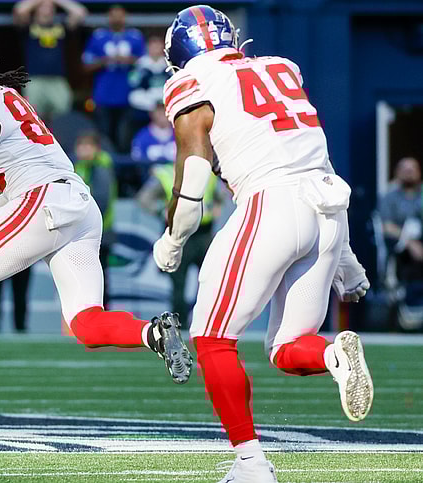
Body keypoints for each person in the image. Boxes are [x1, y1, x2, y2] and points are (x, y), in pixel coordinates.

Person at [0, 18, 192, 442]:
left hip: (42, 200)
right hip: (76, 203)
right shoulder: (5, 96)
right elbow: (16, 184)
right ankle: (153, 333)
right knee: (86, 324)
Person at [151, 6, 372, 482]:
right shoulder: (282, 69)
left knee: (211, 337)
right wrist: (347, 265)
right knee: (289, 347)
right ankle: (332, 356)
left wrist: (172, 239)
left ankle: (251, 464)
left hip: (270, 205)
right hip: (329, 210)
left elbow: (192, 181)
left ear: (181, 55)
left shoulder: (192, 82)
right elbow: (320, 163)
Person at [138, 159, 219, 327]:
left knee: (210, 280)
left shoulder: (206, 173)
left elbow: (219, 195)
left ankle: (205, 322)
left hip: (204, 233)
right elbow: (144, 199)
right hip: (179, 234)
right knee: (178, 284)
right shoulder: (166, 174)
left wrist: (217, 207)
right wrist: (161, 211)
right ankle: (180, 325)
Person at [82, 5, 145, 153]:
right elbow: (86, 65)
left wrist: (127, 60)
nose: (117, 18)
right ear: (108, 17)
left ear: (125, 17)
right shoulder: (99, 36)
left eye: (120, 15)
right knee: (104, 135)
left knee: (125, 137)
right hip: (103, 95)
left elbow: (147, 62)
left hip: (128, 95)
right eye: (113, 15)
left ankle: (124, 174)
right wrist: (105, 60)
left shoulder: (135, 36)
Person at [12, 0, 87, 120]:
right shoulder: (29, 27)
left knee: (63, 117)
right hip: (34, 79)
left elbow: (80, 12)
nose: (47, 8)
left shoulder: (61, 27)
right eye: (43, 6)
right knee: (32, 117)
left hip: (57, 79)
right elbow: (19, 10)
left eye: (50, 6)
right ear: (36, 9)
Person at [73, 131, 116, 308]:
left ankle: (100, 314)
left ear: (96, 149)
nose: (84, 150)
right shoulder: (80, 166)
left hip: (99, 231)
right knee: (88, 277)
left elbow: (102, 201)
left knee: (98, 277)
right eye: (81, 146)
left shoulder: (100, 166)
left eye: (88, 146)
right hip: (88, 230)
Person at [379, 157, 423, 284]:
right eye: (405, 169)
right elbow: (386, 226)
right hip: (400, 243)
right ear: (397, 172)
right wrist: (410, 243)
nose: (409, 173)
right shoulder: (389, 196)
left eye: (412, 169)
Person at [128, 35, 171, 129]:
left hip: (165, 105)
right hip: (145, 107)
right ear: (147, 47)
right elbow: (133, 84)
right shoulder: (140, 64)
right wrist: (152, 105)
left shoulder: (169, 64)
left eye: (158, 46)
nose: (155, 49)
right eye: (153, 46)